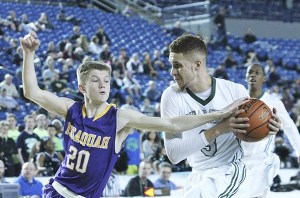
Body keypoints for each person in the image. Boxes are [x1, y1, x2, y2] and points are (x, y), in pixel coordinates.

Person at [20, 31, 250, 198]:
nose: (103, 85)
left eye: (107, 81)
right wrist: (28, 54)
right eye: (95, 80)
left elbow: (172, 124)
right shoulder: (71, 109)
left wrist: (218, 114)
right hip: (57, 190)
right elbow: (32, 92)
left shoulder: (120, 117)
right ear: (82, 88)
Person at [160, 34, 281, 197]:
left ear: (197, 65)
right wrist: (218, 129)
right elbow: (174, 155)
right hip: (197, 174)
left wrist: (266, 130)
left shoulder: (235, 91)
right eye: (171, 65)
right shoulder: (171, 96)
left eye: (177, 65)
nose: (172, 72)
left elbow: (247, 141)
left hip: (229, 171)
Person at [242, 63, 300, 198]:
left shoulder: (273, 101)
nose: (253, 75)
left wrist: (299, 152)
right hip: (238, 159)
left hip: (262, 161)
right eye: (250, 72)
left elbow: (290, 127)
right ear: (245, 77)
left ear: (264, 78)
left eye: (257, 73)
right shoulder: (238, 100)